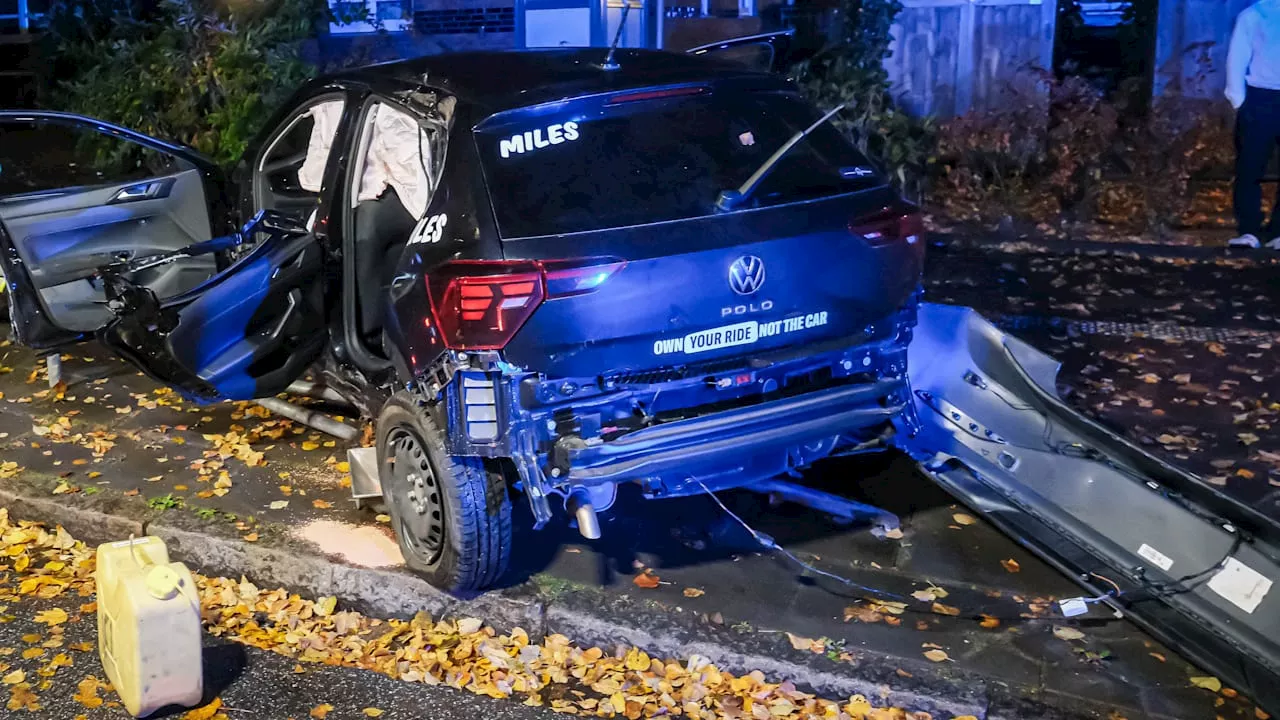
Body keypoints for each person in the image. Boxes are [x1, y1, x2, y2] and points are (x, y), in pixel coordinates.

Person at [1226, 0, 1280, 249]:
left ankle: (1278, 232)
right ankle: (1249, 230)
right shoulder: (1254, 15)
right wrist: (1238, 98)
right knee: (1250, 166)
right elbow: (1237, 55)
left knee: (1251, 166)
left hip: (1261, 99)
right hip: (1261, 97)